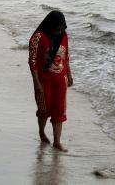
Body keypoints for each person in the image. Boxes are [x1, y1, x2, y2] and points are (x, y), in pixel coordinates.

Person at [28, 11, 73, 152]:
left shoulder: (64, 36)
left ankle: (57, 142)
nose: (59, 31)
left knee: (59, 110)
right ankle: (41, 131)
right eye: (57, 28)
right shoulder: (38, 37)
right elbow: (33, 61)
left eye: (62, 28)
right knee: (44, 109)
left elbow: (66, 56)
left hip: (60, 80)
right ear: (50, 25)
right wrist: (36, 83)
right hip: (43, 80)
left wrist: (69, 74)